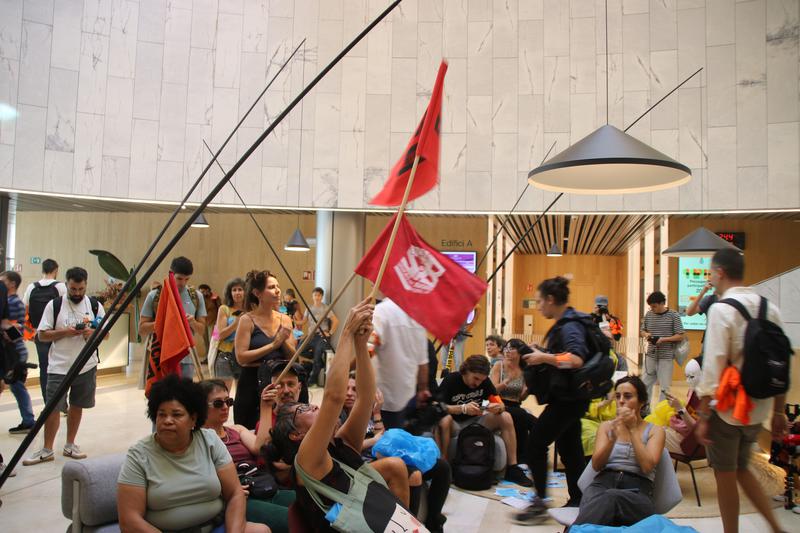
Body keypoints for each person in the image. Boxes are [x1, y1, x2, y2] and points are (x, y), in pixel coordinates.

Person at [271, 299, 423, 532]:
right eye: (303, 410)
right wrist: (346, 334)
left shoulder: (341, 444)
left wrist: (361, 345)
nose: (314, 407)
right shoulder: (307, 460)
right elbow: (333, 397)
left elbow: (366, 397)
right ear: (296, 435)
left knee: (396, 465)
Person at [695, 249, 790, 533]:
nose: (711, 277)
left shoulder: (722, 309)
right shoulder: (769, 307)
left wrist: (702, 416)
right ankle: (775, 526)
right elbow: (781, 361)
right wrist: (779, 411)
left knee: (725, 475)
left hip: (727, 410)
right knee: (741, 467)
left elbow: (712, 368)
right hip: (758, 407)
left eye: (711, 272)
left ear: (720, 272)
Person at [117, 375, 268, 533]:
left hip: (214, 525)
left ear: (193, 419)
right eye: (162, 414)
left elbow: (235, 493)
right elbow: (129, 519)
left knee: (261, 531)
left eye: (176, 414)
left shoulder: (209, 441)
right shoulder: (139, 455)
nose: (167, 420)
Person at [515, 277, 591, 523]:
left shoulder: (569, 325)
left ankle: (540, 501)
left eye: (539, 301)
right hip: (572, 397)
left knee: (536, 444)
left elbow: (576, 359)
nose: (537, 307)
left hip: (568, 400)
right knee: (570, 450)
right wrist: (545, 353)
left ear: (550, 299)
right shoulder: (567, 322)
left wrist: (543, 359)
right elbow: (565, 357)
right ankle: (579, 500)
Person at [24, 267, 106, 465]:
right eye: (73, 289)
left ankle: (70, 445)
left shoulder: (95, 305)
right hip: (59, 366)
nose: (77, 293)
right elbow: (41, 335)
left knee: (77, 406)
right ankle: (47, 449)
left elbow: (105, 333)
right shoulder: (55, 305)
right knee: (52, 408)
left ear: (85, 285)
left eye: (80, 289)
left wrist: (92, 334)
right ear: (66, 285)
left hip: (86, 366)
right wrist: (65, 332)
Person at [202, 379, 295, 533]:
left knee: (311, 507)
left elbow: (261, 447)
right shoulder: (199, 439)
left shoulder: (236, 430)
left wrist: (265, 407)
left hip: (264, 486)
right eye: (218, 404)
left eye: (228, 401)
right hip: (241, 498)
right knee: (291, 521)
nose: (225, 407)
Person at [573, 376, 666, 527]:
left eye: (628, 396)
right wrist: (611, 440)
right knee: (601, 500)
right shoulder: (606, 427)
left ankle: (574, 530)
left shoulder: (655, 431)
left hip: (637, 490)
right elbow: (596, 465)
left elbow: (647, 467)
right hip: (603, 483)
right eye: (617, 396)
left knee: (611, 497)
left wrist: (633, 429)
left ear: (641, 402)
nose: (621, 401)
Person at [435, 354, 532, 486]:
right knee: (444, 420)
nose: (478, 383)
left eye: (481, 380)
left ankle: (512, 468)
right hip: (454, 424)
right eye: (475, 378)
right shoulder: (451, 379)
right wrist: (462, 408)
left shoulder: (485, 382)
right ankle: (444, 469)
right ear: (466, 370)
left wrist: (494, 407)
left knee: (505, 416)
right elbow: (437, 407)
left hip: (476, 422)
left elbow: (501, 405)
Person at [234, 270, 295, 429]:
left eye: (278, 286)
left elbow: (294, 357)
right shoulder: (247, 320)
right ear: (257, 293)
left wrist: (283, 342)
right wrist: (273, 345)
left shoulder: (285, 319)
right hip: (251, 382)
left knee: (280, 430)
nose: (277, 290)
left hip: (278, 381)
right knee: (249, 429)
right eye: (271, 287)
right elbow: (241, 357)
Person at [139, 256, 207, 379]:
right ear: (171, 274)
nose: (183, 283)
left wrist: (192, 322)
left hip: (187, 357)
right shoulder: (154, 296)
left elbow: (202, 330)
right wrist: (165, 322)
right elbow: (142, 329)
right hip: (162, 357)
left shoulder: (197, 296)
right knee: (162, 396)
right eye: (179, 278)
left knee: (184, 396)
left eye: (187, 279)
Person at [369, 297, 430, 429]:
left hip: (383, 399)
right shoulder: (417, 316)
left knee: (383, 444)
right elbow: (423, 363)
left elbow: (368, 350)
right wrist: (422, 390)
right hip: (409, 396)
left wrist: (343, 368)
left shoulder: (381, 312)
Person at [22, 258, 66, 399]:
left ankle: (47, 401)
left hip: (39, 333)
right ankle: (61, 402)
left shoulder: (31, 287)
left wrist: (30, 333)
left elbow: (25, 311)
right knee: (60, 367)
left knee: (44, 368)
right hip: (57, 333)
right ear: (55, 270)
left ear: (43, 270)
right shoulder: (60, 287)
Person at [490, 338, 536, 465]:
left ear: (520, 352)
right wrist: (505, 382)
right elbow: (491, 391)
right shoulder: (499, 365)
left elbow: (520, 398)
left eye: (511, 348)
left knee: (526, 420)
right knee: (524, 417)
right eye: (506, 348)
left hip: (516, 405)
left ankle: (527, 455)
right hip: (498, 403)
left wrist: (527, 391)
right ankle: (524, 457)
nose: (507, 351)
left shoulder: (524, 370)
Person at [1, 271, 36, 434]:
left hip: (14, 351)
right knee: (16, 386)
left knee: (17, 386)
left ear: (12, 283)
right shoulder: (10, 301)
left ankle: (29, 420)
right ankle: (28, 420)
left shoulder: (13, 302)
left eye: (3, 280)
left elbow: (16, 327)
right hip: (13, 351)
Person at [640, 291, 686, 408]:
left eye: (654, 306)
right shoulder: (649, 315)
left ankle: (661, 412)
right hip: (651, 355)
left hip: (666, 357)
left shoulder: (673, 315)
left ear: (662, 303)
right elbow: (642, 330)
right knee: (645, 384)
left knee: (665, 388)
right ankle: (644, 409)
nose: (652, 309)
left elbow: (680, 335)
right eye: (651, 306)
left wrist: (663, 339)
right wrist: (646, 335)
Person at [296, 287, 338, 385]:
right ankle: (318, 361)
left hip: (322, 336)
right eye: (315, 295)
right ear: (312, 296)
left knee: (317, 356)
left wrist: (330, 333)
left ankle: (311, 381)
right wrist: (292, 320)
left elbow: (336, 321)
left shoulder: (325, 308)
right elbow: (303, 321)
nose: (317, 297)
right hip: (311, 336)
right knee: (299, 349)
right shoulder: (309, 308)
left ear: (322, 296)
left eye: (319, 295)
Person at [214, 277, 246, 390]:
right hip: (225, 356)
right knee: (223, 394)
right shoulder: (224, 309)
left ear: (245, 291)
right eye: (234, 290)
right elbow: (220, 335)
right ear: (230, 293)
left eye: (240, 289)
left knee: (243, 394)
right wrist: (236, 322)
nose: (237, 293)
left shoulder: (250, 310)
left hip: (243, 356)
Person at [200, 283, 221, 351]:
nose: (202, 293)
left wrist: (219, 322)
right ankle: (207, 357)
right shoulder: (201, 299)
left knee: (213, 340)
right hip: (204, 322)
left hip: (213, 323)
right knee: (205, 341)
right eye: (201, 292)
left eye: (203, 291)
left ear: (208, 290)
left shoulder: (215, 298)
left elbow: (220, 309)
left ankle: (213, 357)